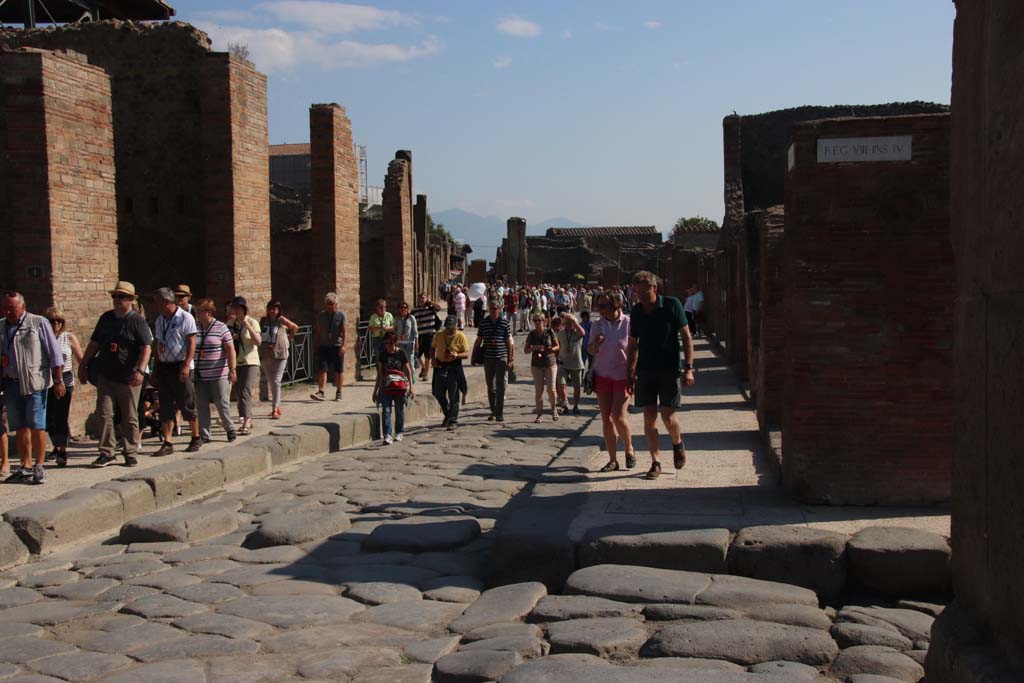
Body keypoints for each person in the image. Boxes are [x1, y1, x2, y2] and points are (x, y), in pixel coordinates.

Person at [627, 271, 695, 479]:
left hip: (669, 368)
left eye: (644, 292)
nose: (641, 297)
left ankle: (677, 442)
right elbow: (632, 345)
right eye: (637, 292)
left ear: (655, 288)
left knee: (668, 416)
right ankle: (655, 461)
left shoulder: (672, 305)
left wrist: (689, 367)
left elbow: (686, 337)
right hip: (645, 371)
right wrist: (630, 371)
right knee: (649, 419)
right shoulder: (637, 312)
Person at [80, 281, 152, 468]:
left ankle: (130, 451)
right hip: (106, 374)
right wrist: (83, 364)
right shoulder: (106, 318)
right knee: (104, 414)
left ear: (130, 300)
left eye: (121, 297)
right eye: (115, 296)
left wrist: (141, 370)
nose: (117, 300)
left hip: (128, 376)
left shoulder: (137, 321)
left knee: (129, 416)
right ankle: (107, 452)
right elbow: (94, 343)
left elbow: (146, 347)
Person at [1, 293, 64, 484]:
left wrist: (59, 380)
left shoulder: (39, 323)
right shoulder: (2, 326)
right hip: (11, 382)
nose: (9, 312)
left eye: (13, 308)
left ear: (23, 306)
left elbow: (55, 354)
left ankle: (39, 466)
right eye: (6, 308)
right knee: (19, 426)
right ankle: (25, 466)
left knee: (37, 424)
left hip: (35, 383)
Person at [589, 291, 636, 471]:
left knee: (618, 415)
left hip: (623, 376)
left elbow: (635, 348)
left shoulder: (629, 323)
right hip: (602, 374)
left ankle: (629, 448)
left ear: (615, 305)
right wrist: (596, 344)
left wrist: (634, 372)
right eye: (598, 306)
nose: (599, 310)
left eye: (603, 306)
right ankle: (612, 460)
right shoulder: (597, 325)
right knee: (606, 418)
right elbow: (591, 351)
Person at [152, 287, 200, 455]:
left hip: (181, 364)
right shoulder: (160, 320)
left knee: (186, 402)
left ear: (166, 302)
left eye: (158, 302)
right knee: (165, 405)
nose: (156, 306)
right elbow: (157, 343)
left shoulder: (185, 317)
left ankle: (195, 436)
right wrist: (155, 367)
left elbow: (192, 342)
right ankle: (167, 441)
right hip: (165, 365)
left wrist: (187, 365)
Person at [42, 308, 83, 468]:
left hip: (65, 378)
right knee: (49, 417)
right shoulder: (43, 338)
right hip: (47, 378)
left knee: (61, 415)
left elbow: (80, 357)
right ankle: (56, 445)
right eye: (52, 321)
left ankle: (62, 450)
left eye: (59, 321)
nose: (56, 324)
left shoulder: (68, 337)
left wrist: (87, 371)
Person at [193, 298, 237, 445]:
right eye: (196, 311)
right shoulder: (195, 327)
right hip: (200, 373)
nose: (197, 314)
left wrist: (232, 369)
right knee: (201, 404)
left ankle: (229, 428)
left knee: (221, 402)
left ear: (209, 312)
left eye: (200, 311)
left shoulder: (221, 327)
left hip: (219, 373)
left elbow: (230, 349)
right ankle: (205, 434)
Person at [472, 298, 514, 422]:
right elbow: (479, 340)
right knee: (490, 386)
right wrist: (473, 356)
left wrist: (510, 359)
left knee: (500, 386)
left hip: (501, 357)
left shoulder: (504, 323)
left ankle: (499, 413)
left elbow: (508, 342)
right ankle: (493, 411)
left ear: (499, 310)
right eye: (490, 308)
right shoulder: (484, 322)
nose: (493, 311)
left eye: (495, 309)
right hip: (488, 357)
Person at [258, 300, 298, 419]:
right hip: (266, 353)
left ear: (278, 310)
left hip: (280, 353)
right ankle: (277, 406)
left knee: (276, 380)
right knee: (271, 381)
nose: (271, 311)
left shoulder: (281, 320)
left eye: (274, 309)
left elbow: (295, 327)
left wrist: (289, 338)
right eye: (270, 308)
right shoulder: (264, 321)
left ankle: (275, 407)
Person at [227, 296, 261, 436]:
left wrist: (248, 327)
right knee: (239, 391)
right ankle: (246, 417)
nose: (236, 310)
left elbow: (258, 341)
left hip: (250, 361)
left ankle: (247, 421)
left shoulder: (252, 322)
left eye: (238, 308)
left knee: (245, 390)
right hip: (237, 361)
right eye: (234, 307)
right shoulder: (231, 323)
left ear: (244, 309)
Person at [373, 330, 414, 444]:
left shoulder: (401, 353)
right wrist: (375, 390)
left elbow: (408, 370)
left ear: (395, 343)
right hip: (386, 387)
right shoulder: (383, 354)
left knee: (399, 410)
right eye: (386, 343)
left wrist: (411, 387)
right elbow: (380, 373)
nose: (388, 346)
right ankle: (387, 434)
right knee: (386, 410)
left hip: (399, 387)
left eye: (390, 343)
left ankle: (399, 432)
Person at [431, 316, 469, 430]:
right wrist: (433, 359)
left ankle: (453, 420)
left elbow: (466, 353)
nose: (450, 330)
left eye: (452, 328)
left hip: (454, 367)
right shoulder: (439, 335)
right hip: (440, 367)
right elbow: (432, 348)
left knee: (453, 395)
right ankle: (448, 413)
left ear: (456, 327)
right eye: (448, 328)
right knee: (437, 392)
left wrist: (456, 355)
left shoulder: (460, 336)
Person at [311, 292, 346, 402]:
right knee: (322, 369)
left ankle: (339, 392)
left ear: (336, 304)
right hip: (324, 345)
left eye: (331, 304)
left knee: (338, 370)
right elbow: (318, 331)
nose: (329, 306)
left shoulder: (341, 315)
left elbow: (344, 332)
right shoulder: (322, 315)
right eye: (327, 304)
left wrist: (343, 345)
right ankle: (321, 391)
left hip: (337, 345)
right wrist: (315, 344)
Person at [525, 313, 559, 423]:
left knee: (551, 389)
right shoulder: (532, 334)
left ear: (544, 321)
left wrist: (551, 349)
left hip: (550, 363)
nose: (537, 323)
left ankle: (554, 410)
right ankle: (539, 414)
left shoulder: (549, 332)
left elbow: (557, 346)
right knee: (538, 390)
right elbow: (526, 350)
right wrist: (534, 348)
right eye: (535, 321)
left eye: (539, 320)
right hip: (537, 365)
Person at [555, 313, 586, 416]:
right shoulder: (561, 333)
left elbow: (583, 332)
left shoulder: (577, 333)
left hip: (576, 363)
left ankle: (576, 406)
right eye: (566, 322)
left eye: (570, 323)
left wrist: (575, 322)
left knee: (576, 386)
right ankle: (564, 405)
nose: (568, 324)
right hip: (563, 363)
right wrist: (556, 358)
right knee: (561, 384)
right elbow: (557, 345)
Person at [411, 293, 441, 381]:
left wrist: (430, 302)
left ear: (426, 298)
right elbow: (411, 319)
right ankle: (423, 367)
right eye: (419, 298)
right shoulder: (415, 309)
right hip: (418, 335)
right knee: (417, 353)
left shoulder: (431, 308)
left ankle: (426, 374)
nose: (421, 300)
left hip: (429, 334)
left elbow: (439, 307)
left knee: (428, 355)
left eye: (423, 298)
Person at [394, 302, 417, 377]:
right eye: (401, 307)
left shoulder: (411, 318)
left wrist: (417, 343)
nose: (403, 309)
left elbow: (415, 331)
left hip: (410, 342)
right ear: (399, 309)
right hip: (400, 342)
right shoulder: (397, 318)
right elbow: (394, 329)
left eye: (405, 307)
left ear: (407, 309)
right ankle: (403, 375)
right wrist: (397, 336)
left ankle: (412, 375)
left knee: (410, 359)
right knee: (401, 360)